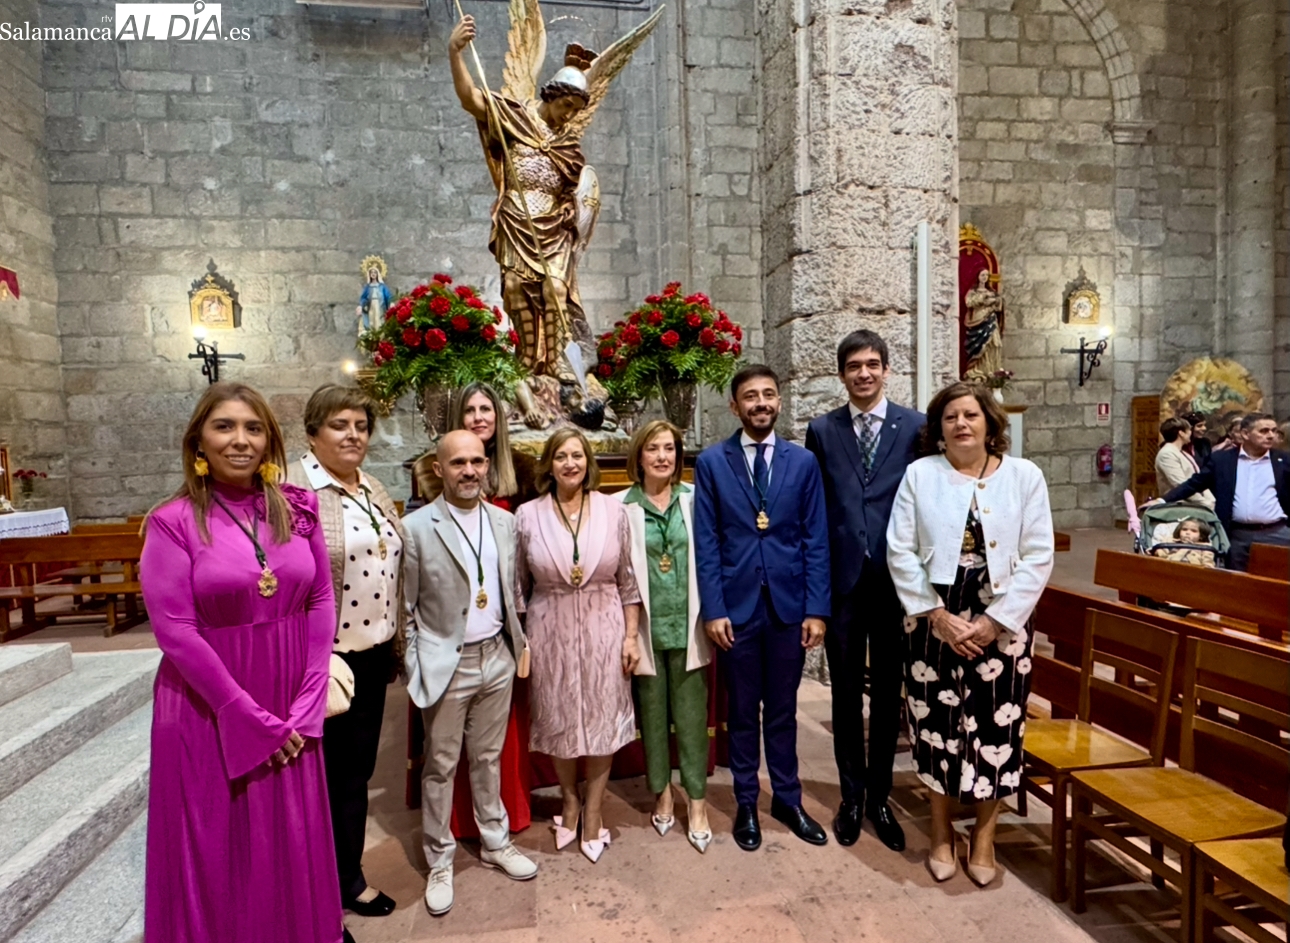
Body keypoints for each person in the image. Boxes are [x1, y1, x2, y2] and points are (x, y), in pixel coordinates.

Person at [141, 383, 348, 943]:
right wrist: (239, 711)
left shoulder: (298, 509)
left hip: (289, 696)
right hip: (211, 702)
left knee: (291, 834)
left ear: (269, 440)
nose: (241, 440)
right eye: (225, 426)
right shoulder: (173, 521)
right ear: (198, 442)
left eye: (253, 428)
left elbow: (320, 598)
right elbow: (174, 629)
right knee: (220, 843)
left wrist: (311, 693)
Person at [886, 381, 1054, 886]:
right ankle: (940, 830)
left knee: (996, 726)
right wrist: (936, 615)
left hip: (1002, 620)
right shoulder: (921, 474)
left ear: (990, 423)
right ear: (938, 428)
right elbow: (900, 549)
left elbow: (1038, 554)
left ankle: (984, 835)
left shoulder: (1024, 476)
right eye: (951, 417)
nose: (961, 424)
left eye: (971, 415)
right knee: (935, 722)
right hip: (933, 617)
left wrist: (995, 621)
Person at [693, 365, 831, 852]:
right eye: (750, 396)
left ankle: (788, 799)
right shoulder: (713, 462)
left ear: (779, 401)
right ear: (735, 406)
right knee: (742, 711)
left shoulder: (802, 462)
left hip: (788, 607)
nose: (761, 403)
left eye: (768, 394)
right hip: (737, 608)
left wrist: (817, 609)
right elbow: (707, 542)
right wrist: (714, 609)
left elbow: (816, 539)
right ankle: (747, 801)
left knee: (783, 709)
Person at [403, 431, 537, 916]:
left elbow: (512, 588)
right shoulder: (416, 527)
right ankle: (439, 859)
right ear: (438, 469)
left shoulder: (504, 521)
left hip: (497, 657)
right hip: (447, 663)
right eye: (458, 462)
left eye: (477, 461)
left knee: (487, 758)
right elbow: (406, 608)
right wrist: (417, 663)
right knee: (440, 766)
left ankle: (495, 841)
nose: (469, 471)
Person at [286, 384, 404, 921]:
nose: (353, 435)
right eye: (339, 425)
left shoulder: (370, 486)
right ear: (313, 432)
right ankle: (312, 894)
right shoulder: (293, 490)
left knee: (353, 775)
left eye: (360, 426)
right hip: (323, 663)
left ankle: (347, 879)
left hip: (371, 656)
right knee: (316, 782)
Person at [804, 330, 922, 851]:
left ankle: (881, 797)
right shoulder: (822, 430)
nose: (864, 373)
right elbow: (816, 510)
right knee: (846, 693)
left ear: (886, 370)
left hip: (897, 583)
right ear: (842, 374)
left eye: (872, 364)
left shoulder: (915, 427)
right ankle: (851, 797)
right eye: (854, 366)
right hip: (844, 583)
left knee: (890, 693)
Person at [514, 427, 642, 862]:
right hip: (549, 628)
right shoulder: (527, 515)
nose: (570, 463)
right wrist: (520, 641)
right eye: (561, 456)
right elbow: (517, 585)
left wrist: (630, 637)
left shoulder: (614, 510)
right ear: (549, 465)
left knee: (603, 718)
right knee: (559, 717)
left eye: (578, 455)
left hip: (605, 624)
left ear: (589, 463)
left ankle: (595, 809)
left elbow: (628, 581)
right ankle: (569, 800)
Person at [615, 420, 713, 853]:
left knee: (691, 717)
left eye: (669, 448)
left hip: (690, 624)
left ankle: (697, 801)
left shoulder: (696, 499)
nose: (662, 456)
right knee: (652, 718)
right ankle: (662, 793)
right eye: (653, 448)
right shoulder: (620, 507)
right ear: (639, 456)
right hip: (645, 628)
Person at [1163, 413, 1290, 571]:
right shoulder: (1222, 460)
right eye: (1264, 431)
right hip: (1237, 535)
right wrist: (1162, 501)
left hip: (1277, 533)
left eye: (1274, 431)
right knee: (1236, 581)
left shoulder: (1284, 460)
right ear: (1245, 434)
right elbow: (1194, 484)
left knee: (1277, 581)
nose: (1271, 435)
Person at [1154, 417, 1215, 509]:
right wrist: (1205, 503)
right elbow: (1180, 484)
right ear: (1181, 433)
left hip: (1194, 506)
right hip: (1179, 507)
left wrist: (1210, 499)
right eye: (1189, 430)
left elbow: (1197, 478)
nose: (1191, 433)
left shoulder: (1182, 452)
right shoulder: (1167, 454)